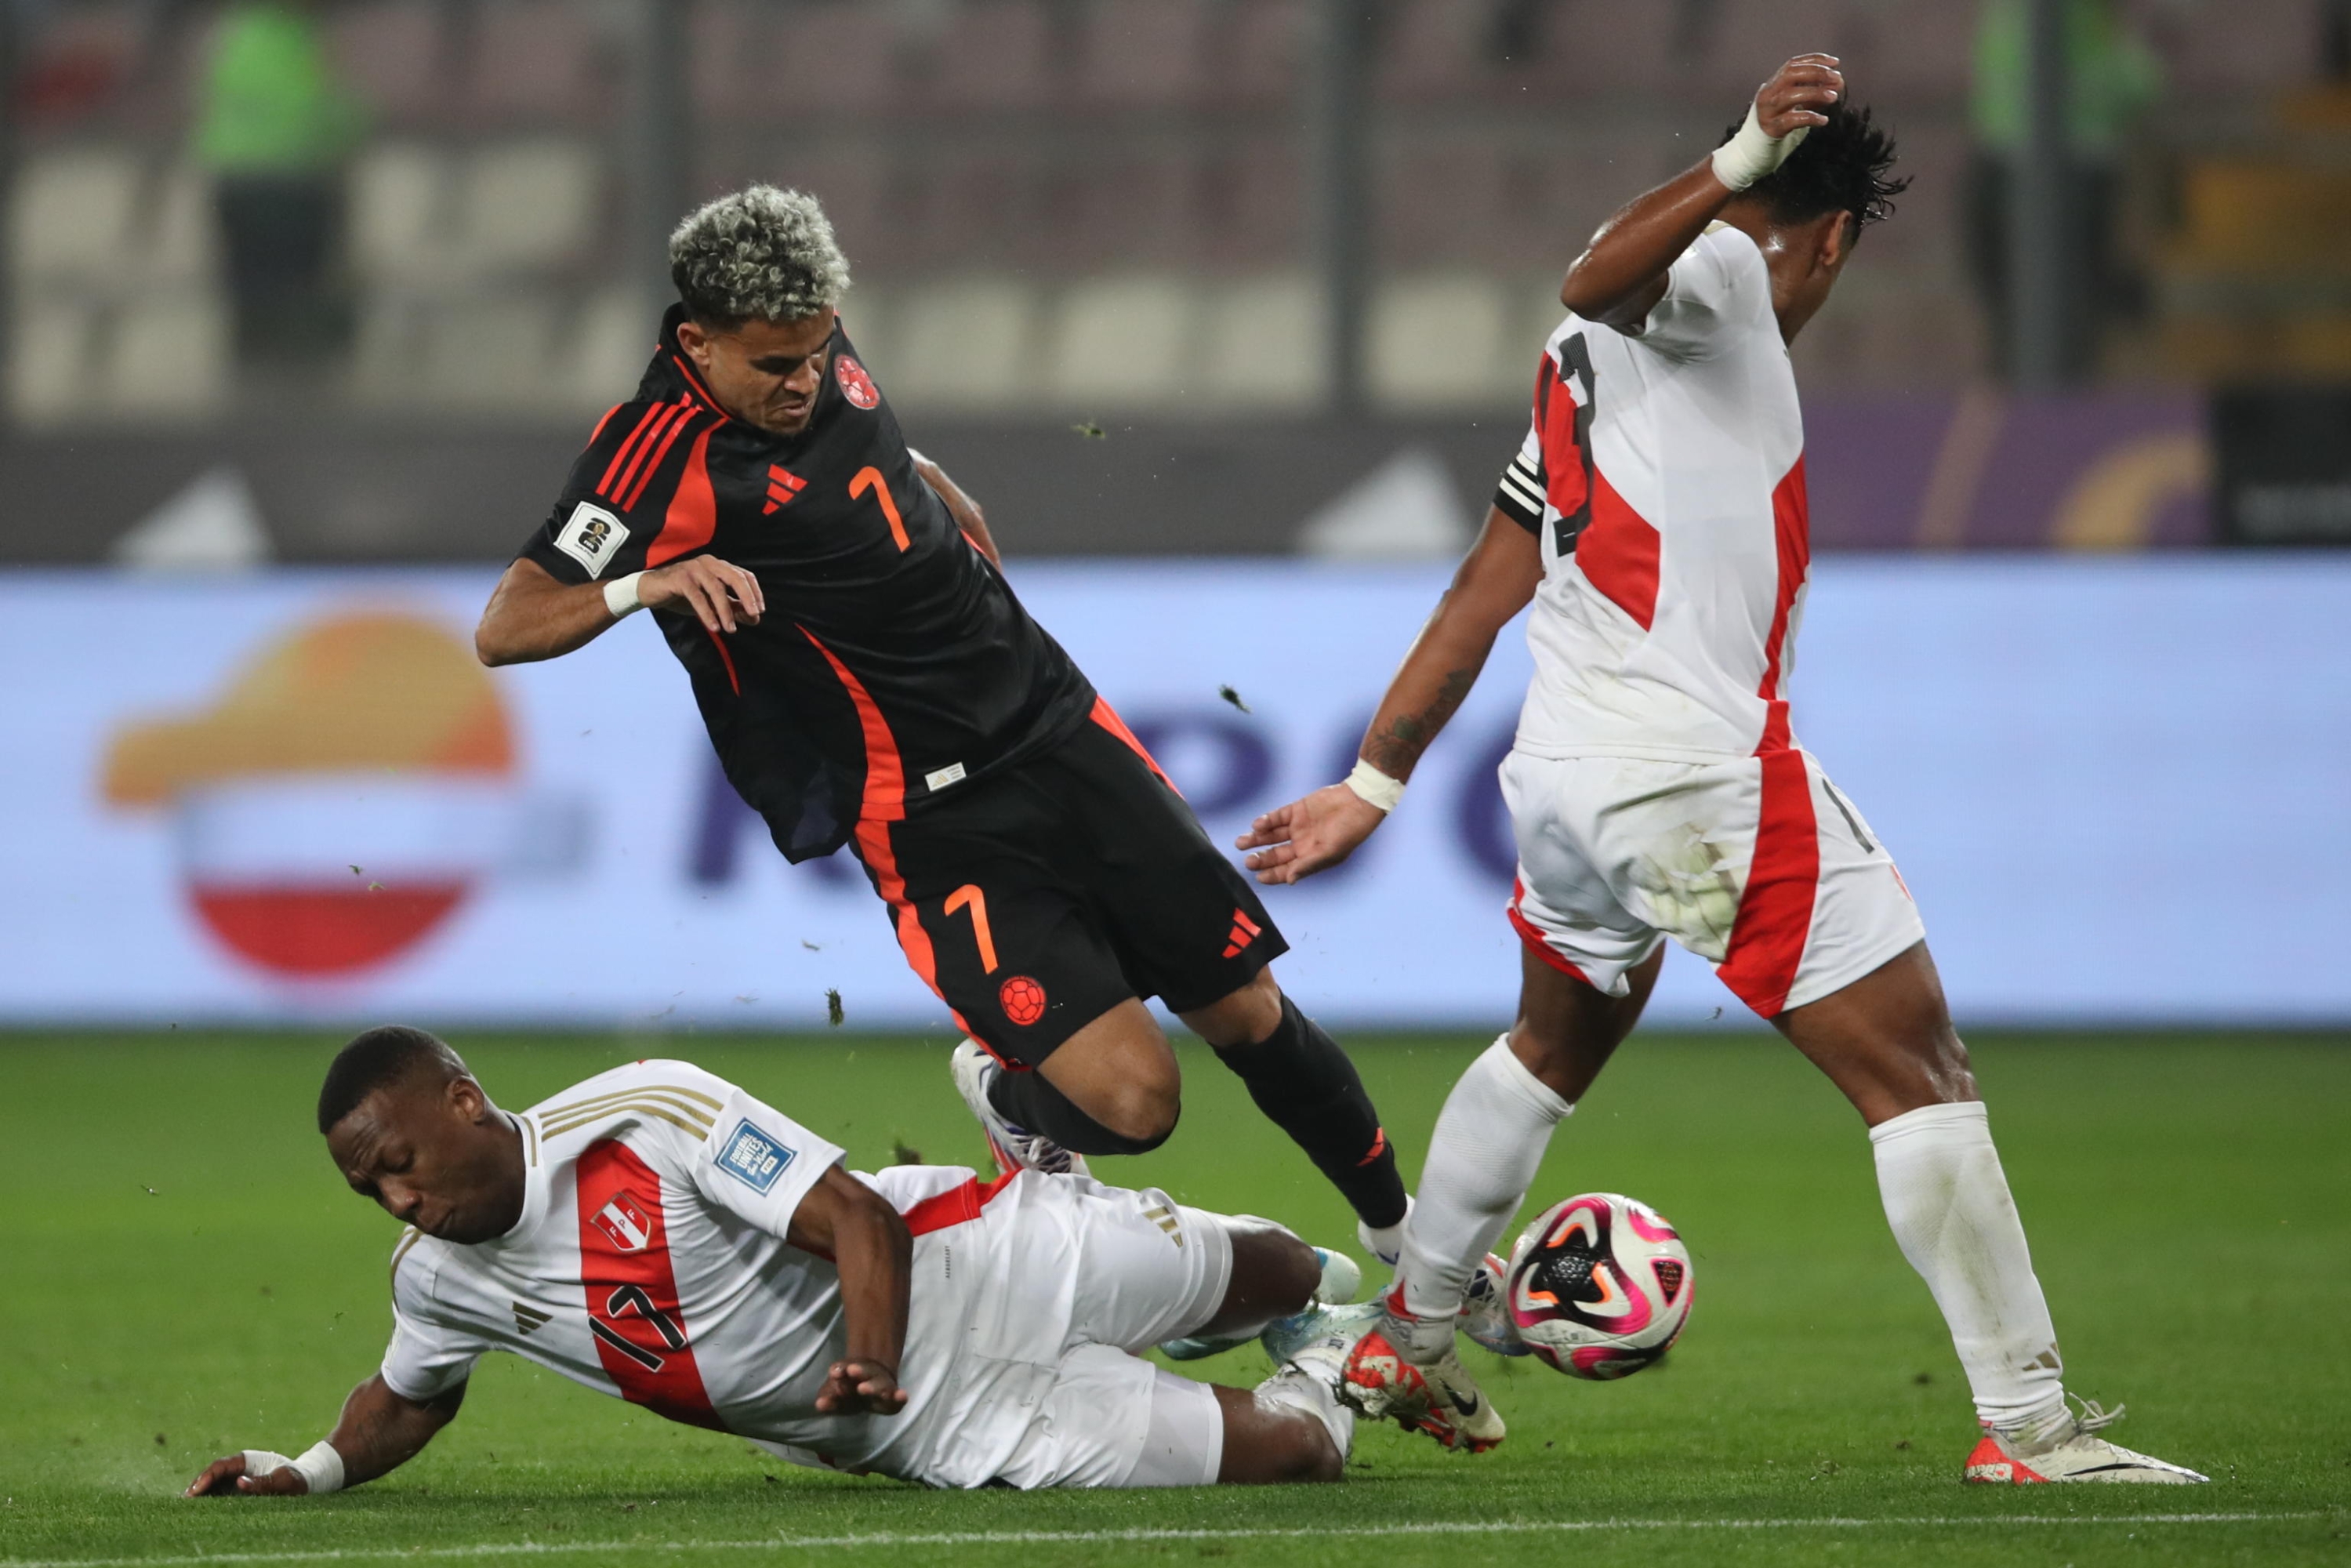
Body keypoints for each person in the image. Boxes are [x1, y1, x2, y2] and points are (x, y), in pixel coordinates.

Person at [1235, 56, 2205, 1485]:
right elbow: (1590, 274)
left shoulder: (1576, 385)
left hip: (1559, 781)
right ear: (1828, 239)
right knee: (1918, 1071)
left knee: (1550, 1047)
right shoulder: (1727, 281)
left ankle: (1411, 1331)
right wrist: (1742, 154)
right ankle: (2029, 1429)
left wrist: (1372, 785)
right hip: (1689, 776)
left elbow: (1475, 596)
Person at [466, 187, 1469, 1436]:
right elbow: (505, 625)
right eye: (776, 364)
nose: (807, 380)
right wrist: (649, 580)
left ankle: (1418, 1262)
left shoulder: (812, 360)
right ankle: (1012, 1098)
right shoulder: (650, 453)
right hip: (931, 815)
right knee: (1136, 1108)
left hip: (1060, 729)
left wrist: (930, 477)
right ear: (699, 341)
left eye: (825, 349)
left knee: (1250, 1012)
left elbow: (863, 442)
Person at [181, 1027, 1413, 1495]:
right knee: (1300, 1454)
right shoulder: (437, 1280)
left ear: (461, 1101)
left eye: (398, 1161)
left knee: (1270, 1274)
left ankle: (1311, 1297)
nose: (396, 1198)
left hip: (972, 1260)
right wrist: (313, 1471)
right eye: (367, 1188)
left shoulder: (642, 1112)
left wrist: (867, 1357)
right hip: (946, 1432)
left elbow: (854, 1223)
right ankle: (1342, 1372)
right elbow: (408, 1399)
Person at [194, 0, 365, 375]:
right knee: (300, 290)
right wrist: (357, 125)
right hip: (290, 181)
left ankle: (251, 371)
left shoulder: (234, 31)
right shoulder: (295, 39)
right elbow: (311, 110)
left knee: (250, 290)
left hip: (234, 178)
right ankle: (299, 382)